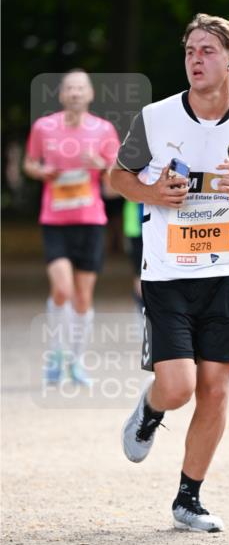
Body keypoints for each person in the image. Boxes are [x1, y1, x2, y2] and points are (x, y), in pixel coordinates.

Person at [109, 14, 229, 533]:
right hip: (166, 272)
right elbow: (118, 177)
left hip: (226, 272)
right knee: (180, 386)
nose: (196, 59)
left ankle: (189, 498)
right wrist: (152, 193)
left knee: (216, 390)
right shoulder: (157, 119)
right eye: (189, 51)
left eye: (207, 51)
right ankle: (149, 410)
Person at [23, 69, 120, 385]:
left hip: (91, 220)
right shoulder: (43, 127)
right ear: (62, 95)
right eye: (70, 88)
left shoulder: (104, 130)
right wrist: (42, 172)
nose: (76, 93)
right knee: (62, 289)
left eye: (81, 88)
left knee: (82, 297)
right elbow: (29, 163)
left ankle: (76, 362)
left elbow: (117, 178)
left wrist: (102, 166)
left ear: (90, 94)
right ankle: (56, 354)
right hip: (55, 219)